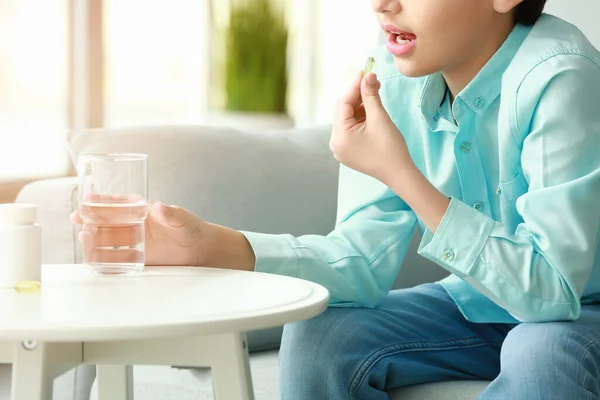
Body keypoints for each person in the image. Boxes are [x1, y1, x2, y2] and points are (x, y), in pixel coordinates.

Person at [72, 0, 600, 398]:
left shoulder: (560, 74)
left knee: (538, 351)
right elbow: (361, 262)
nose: (382, 3)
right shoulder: (394, 71)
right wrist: (209, 245)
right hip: (480, 303)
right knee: (320, 334)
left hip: (579, 312)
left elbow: (551, 293)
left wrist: (400, 172)